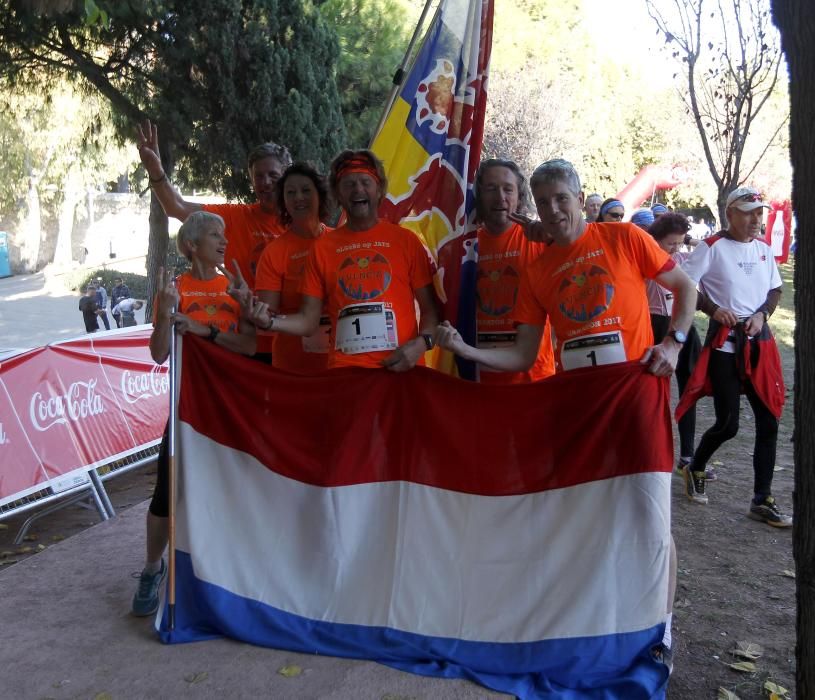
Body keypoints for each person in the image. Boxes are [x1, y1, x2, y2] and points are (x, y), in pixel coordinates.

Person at [434, 158, 698, 672]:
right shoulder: (537, 269)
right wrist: (471, 353)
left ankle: (660, 626)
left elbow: (685, 288)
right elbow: (521, 354)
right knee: (589, 514)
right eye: (545, 201)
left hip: (633, 394)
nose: (554, 210)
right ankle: (602, 614)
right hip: (577, 404)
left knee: (650, 514)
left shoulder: (622, 239)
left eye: (562, 198)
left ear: (579, 197)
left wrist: (674, 342)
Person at [132, 211, 257, 617]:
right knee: (166, 494)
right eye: (214, 235)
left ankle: (231, 572)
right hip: (185, 408)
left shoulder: (234, 289)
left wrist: (218, 325)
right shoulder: (175, 290)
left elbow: (249, 348)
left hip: (233, 408)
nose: (223, 241)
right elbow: (158, 353)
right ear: (191, 245)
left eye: (224, 235)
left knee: (233, 493)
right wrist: (166, 315)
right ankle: (152, 568)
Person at [247, 149, 439, 372]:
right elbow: (309, 321)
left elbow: (431, 311)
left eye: (365, 182)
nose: (358, 189)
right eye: (348, 184)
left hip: (402, 369)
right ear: (338, 194)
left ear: (379, 190)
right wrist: (268, 321)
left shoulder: (406, 241)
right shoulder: (322, 248)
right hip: (345, 374)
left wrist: (421, 344)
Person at [677, 187, 790, 527]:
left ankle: (762, 499)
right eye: (749, 212)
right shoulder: (711, 247)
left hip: (760, 343)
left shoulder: (764, 250)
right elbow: (685, 285)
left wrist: (762, 315)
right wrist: (713, 309)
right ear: (731, 213)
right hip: (726, 345)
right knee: (728, 424)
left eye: (760, 213)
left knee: (769, 420)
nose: (757, 219)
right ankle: (696, 465)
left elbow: (775, 289)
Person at [136, 119, 292, 359]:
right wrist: (156, 171)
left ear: (287, 177)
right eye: (258, 176)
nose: (266, 182)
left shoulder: (304, 227)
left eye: (273, 175)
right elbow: (176, 206)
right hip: (245, 347)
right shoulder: (235, 217)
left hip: (291, 342)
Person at [471, 158, 554, 383]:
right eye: (491, 189)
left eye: (508, 189)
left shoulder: (539, 239)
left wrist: (552, 239)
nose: (500, 197)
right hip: (478, 377)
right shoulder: (465, 248)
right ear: (478, 195)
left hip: (533, 378)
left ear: (519, 197)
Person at [253, 162, 334, 374]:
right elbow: (267, 315)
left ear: (320, 194)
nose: (299, 197)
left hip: (340, 362)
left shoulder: (339, 242)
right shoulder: (274, 253)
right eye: (290, 193)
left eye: (306, 190)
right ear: (283, 202)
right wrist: (262, 317)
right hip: (292, 367)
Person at [646, 213, 703, 474]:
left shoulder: (680, 260)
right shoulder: (644, 260)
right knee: (654, 392)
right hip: (654, 325)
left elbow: (700, 253)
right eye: (671, 243)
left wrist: (684, 241)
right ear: (655, 240)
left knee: (689, 388)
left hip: (681, 327)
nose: (676, 249)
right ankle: (652, 455)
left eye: (680, 243)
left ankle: (688, 454)